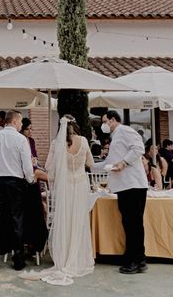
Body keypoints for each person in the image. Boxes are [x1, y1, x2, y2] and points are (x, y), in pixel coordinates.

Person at [35, 115, 95, 286]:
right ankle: (78, 257)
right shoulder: (83, 141)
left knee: (65, 220)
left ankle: (64, 257)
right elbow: (90, 163)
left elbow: (49, 169)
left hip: (66, 187)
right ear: (75, 125)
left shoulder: (56, 144)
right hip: (81, 184)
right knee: (79, 220)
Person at [98, 110, 148, 275]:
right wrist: (90, 164)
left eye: (104, 121)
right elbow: (110, 162)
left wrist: (124, 163)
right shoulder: (115, 137)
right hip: (124, 185)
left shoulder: (124, 130)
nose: (103, 125)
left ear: (113, 120)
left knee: (133, 223)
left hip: (132, 184)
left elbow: (139, 147)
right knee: (131, 223)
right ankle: (137, 258)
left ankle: (135, 260)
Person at [0, 110, 34, 271]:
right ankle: (18, 258)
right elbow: (27, 164)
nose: (21, 125)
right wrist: (30, 179)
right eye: (20, 122)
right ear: (13, 122)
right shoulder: (21, 140)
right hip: (15, 182)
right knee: (17, 219)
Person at [20, 118, 47, 257]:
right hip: (23, 179)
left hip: (33, 177)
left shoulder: (31, 141)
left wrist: (34, 161)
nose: (30, 131)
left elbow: (34, 158)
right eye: (28, 129)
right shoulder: (19, 141)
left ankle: (34, 242)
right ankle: (25, 239)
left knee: (36, 209)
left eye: (31, 128)